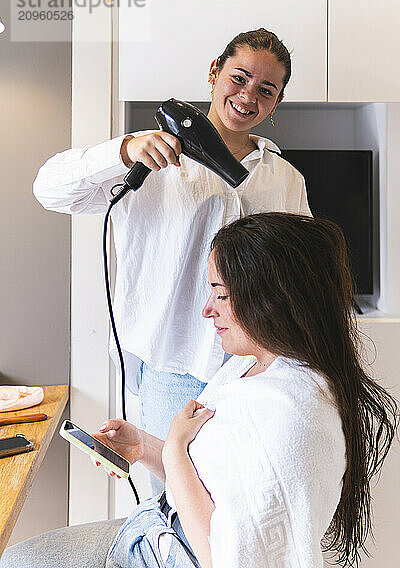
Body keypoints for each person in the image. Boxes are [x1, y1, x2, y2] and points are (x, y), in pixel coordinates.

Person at [2, 213, 398, 568]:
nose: (208, 309)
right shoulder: (247, 368)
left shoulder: (293, 415)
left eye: (222, 294)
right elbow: (208, 478)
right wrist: (144, 446)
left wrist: (173, 448)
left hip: (171, 552)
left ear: (274, 299)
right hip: (157, 529)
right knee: (17, 557)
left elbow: (221, 557)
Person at [32, 29, 311, 492]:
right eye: (238, 78)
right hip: (173, 365)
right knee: (173, 500)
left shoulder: (284, 180)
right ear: (214, 73)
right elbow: (49, 189)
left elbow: (300, 271)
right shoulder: (149, 160)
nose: (247, 96)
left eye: (266, 90)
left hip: (254, 369)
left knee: (237, 499)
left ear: (276, 103)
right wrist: (122, 150)